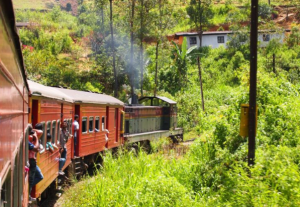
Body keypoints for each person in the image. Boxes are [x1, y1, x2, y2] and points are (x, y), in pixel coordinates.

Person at [28, 123, 44, 202]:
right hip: (31, 160)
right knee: (31, 179)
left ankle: (28, 191)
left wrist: (32, 131)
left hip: (32, 160)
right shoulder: (30, 138)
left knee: (39, 176)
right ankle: (28, 194)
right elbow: (36, 148)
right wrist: (36, 137)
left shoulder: (30, 137)